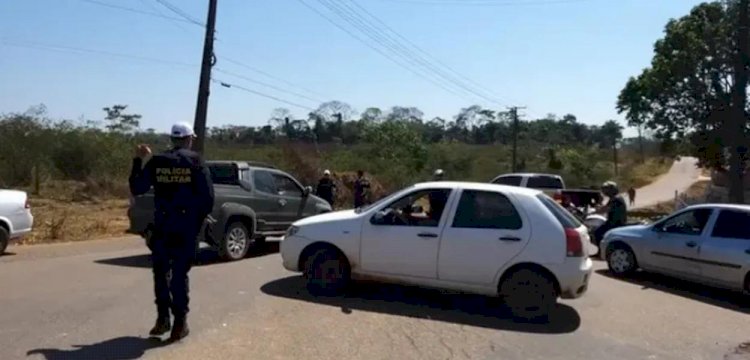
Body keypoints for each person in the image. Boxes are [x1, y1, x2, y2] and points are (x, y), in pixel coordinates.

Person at [129, 122, 214, 342]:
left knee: (160, 274)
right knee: (179, 275)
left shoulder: (157, 161)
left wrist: (139, 159)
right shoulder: (195, 161)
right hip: (185, 228)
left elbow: (137, 188)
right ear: (189, 139)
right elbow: (207, 198)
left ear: (172, 139)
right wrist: (197, 223)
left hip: (163, 226)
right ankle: (179, 324)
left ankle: (162, 319)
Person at [593, 181, 628, 247]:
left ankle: (599, 250)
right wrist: (598, 206)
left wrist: (592, 212)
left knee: (597, 232)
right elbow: (605, 207)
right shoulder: (615, 198)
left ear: (612, 189)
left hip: (615, 223)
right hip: (615, 222)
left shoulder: (616, 199)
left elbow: (605, 209)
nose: (605, 191)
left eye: (607, 189)